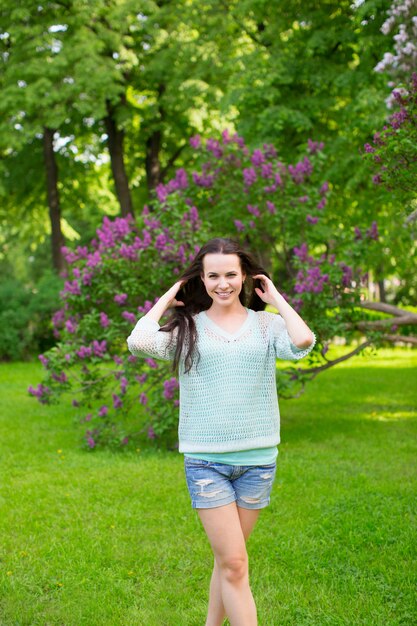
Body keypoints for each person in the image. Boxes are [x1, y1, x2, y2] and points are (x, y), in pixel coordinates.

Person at [127, 237, 315, 626]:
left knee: (230, 562)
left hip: (259, 462)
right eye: (213, 275)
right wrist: (170, 295)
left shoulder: (267, 325)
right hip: (207, 462)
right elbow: (138, 341)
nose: (223, 283)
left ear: (245, 276)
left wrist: (276, 297)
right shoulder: (188, 329)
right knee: (234, 563)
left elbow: (303, 341)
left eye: (231, 274)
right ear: (202, 278)